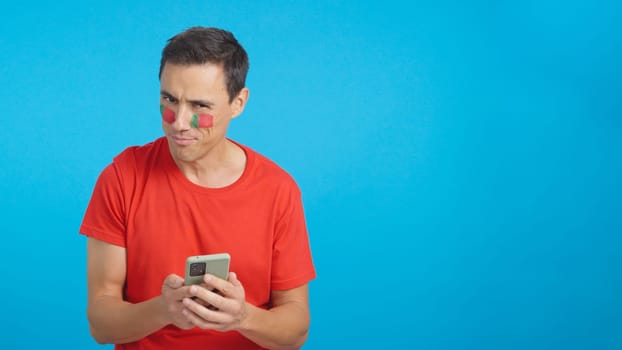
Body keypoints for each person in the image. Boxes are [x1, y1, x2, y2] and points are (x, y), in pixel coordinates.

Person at [80, 26, 316, 350]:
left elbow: (296, 331)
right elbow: (101, 324)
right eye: (169, 100)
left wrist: (243, 317)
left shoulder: (279, 190)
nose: (178, 122)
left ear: (238, 102)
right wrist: (164, 310)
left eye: (200, 106)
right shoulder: (122, 178)